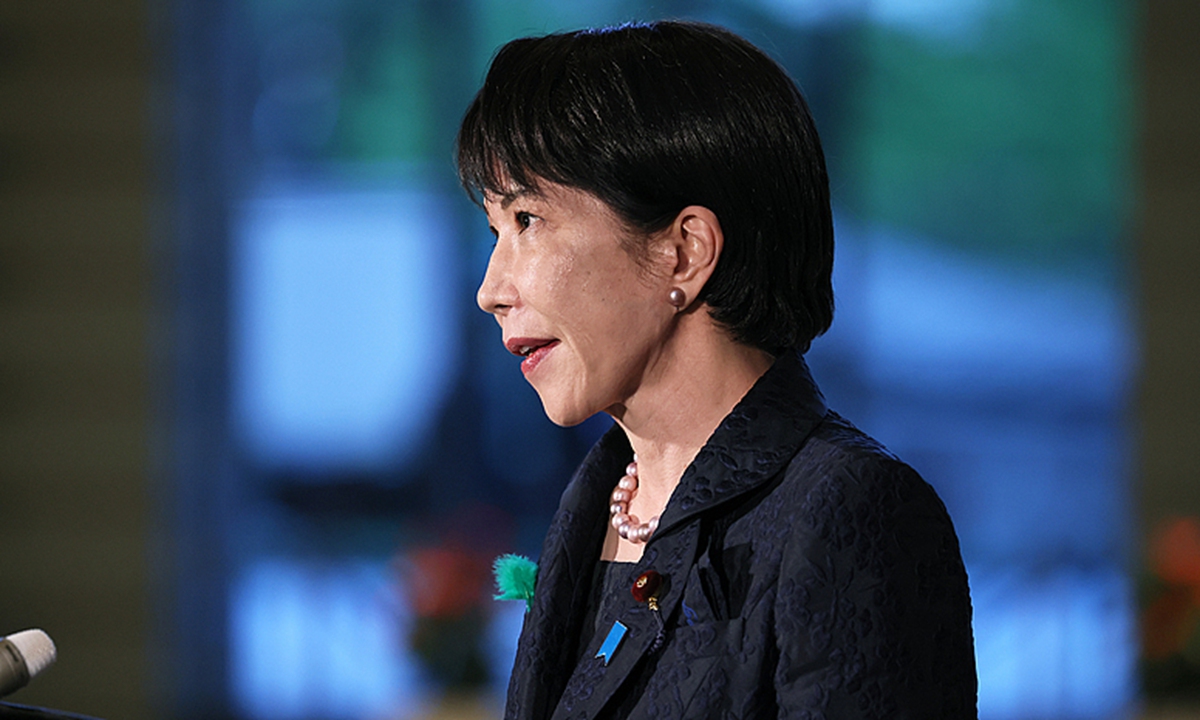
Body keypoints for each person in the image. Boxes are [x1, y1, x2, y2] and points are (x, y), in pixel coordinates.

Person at [457, 20, 977, 720]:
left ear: (685, 251)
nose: (491, 290)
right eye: (494, 231)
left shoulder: (851, 509)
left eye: (526, 219)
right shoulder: (592, 505)